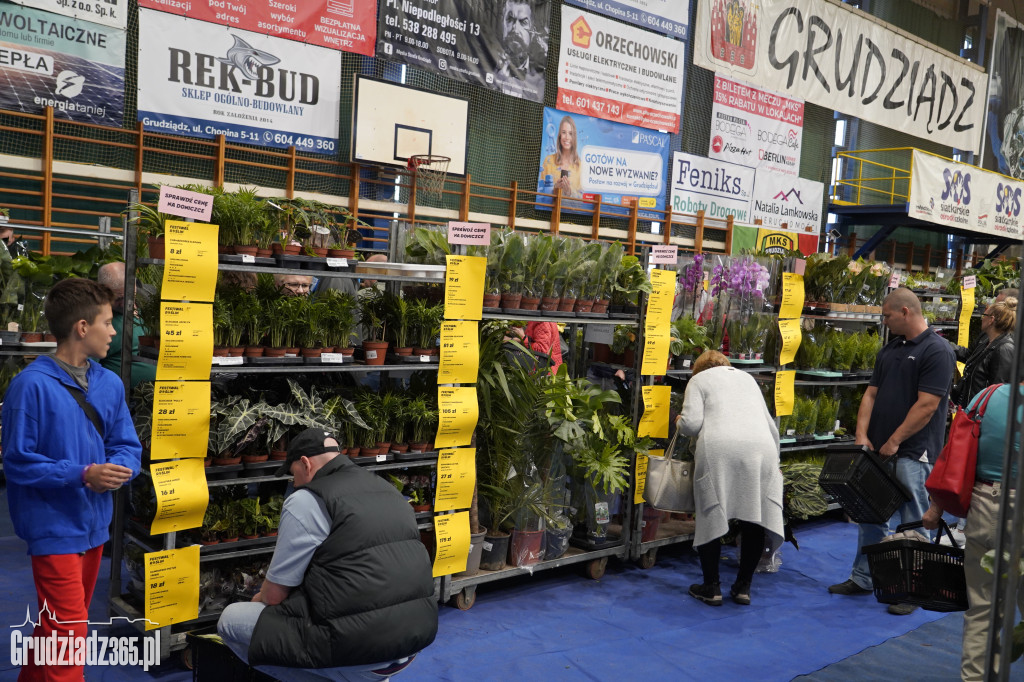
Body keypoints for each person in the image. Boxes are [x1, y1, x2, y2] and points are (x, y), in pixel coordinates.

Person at [1, 277, 141, 681]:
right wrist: (82, 474)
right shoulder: (29, 387)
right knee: (70, 632)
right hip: (52, 528)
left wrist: (119, 467)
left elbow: (126, 443)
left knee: (55, 627)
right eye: (108, 322)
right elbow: (18, 463)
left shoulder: (109, 383)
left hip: (95, 526)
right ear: (83, 327)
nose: (114, 331)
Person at [217, 428, 438, 681]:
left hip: (362, 652)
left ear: (305, 464)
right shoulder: (387, 490)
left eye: (293, 476)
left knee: (232, 621)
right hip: (410, 646)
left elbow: (274, 596)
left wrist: (257, 600)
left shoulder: (307, 500)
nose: (295, 483)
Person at [828, 287, 956, 615]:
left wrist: (896, 439)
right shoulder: (891, 349)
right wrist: (861, 435)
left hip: (913, 451)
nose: (883, 320)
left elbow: (927, 405)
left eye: (886, 315)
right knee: (869, 513)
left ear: (904, 312)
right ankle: (864, 577)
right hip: (879, 450)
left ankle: (912, 590)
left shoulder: (938, 351)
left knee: (913, 520)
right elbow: (870, 394)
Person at [923, 378, 1024, 681]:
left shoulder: (987, 396)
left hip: (985, 506)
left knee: (984, 608)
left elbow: (955, 454)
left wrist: (936, 508)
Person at [676, 350, 784, 607]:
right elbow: (770, 424)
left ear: (699, 369)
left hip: (720, 449)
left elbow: (691, 425)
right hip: (762, 448)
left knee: (711, 511)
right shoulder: (748, 379)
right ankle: (743, 587)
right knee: (754, 516)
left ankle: (711, 586)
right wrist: (776, 463)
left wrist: (679, 421)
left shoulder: (699, 381)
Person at [97, 262, 157, 388]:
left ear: (135, 286)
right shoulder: (101, 323)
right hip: (126, 398)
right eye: (119, 299)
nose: (126, 303)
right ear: (102, 292)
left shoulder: (148, 304)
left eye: (130, 296)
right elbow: (86, 368)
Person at [950, 296, 1016, 408]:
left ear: (991, 320)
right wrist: (943, 344)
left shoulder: (1004, 349)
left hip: (981, 416)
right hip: (970, 410)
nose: (981, 318)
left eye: (984, 315)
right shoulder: (985, 340)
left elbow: (998, 391)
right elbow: (968, 355)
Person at [539, 116, 583, 199]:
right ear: (559, 135)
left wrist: (569, 192)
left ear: (574, 137)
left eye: (570, 133)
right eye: (563, 132)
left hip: (570, 211)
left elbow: (583, 197)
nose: (567, 137)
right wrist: (554, 189)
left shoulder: (580, 166)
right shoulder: (548, 161)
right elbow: (541, 193)